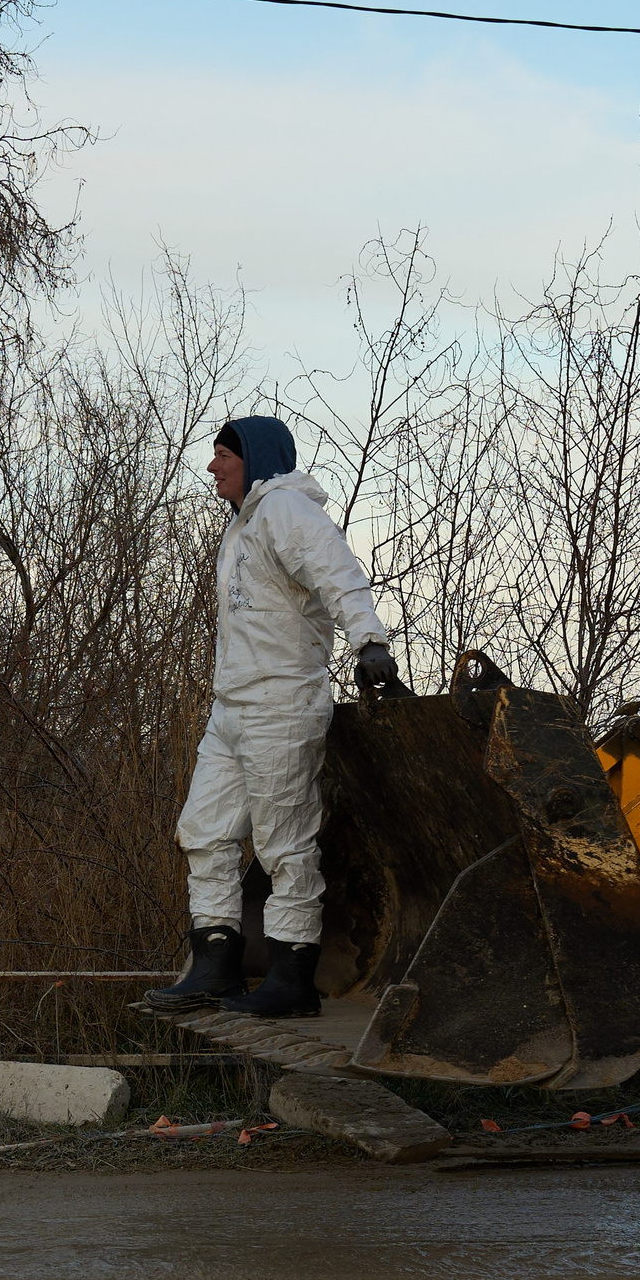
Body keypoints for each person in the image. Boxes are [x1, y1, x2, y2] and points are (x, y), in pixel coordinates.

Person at [145, 417, 400, 1019]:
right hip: (231, 707)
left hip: (281, 704)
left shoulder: (287, 509)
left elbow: (335, 568)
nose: (213, 467)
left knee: (284, 843)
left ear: (253, 458)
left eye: (224, 455)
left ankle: (290, 981)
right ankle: (215, 968)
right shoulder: (242, 527)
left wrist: (368, 640)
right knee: (204, 831)